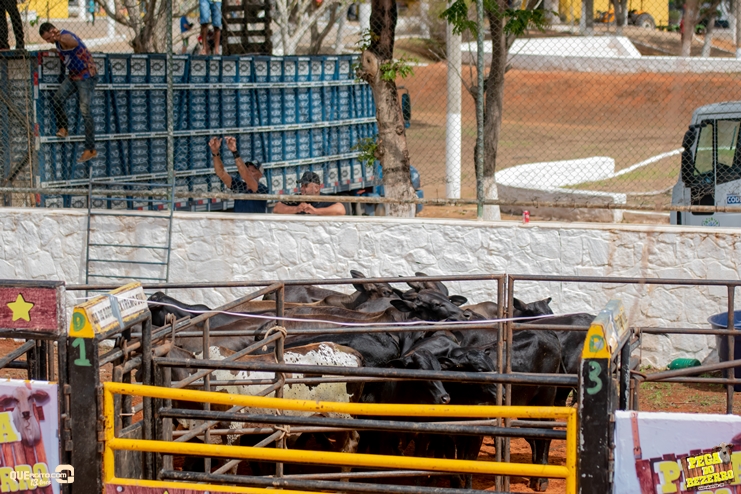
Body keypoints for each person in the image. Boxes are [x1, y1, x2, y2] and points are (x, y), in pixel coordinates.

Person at [39, 23, 98, 163]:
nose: (48, 41)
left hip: (86, 76)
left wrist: (59, 38)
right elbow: (66, 50)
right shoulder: (58, 42)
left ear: (53, 31)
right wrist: (55, 48)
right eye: (46, 40)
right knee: (57, 99)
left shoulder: (65, 36)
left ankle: (90, 149)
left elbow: (73, 42)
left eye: (48, 38)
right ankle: (63, 128)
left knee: (85, 110)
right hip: (74, 75)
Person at [209, 136, 268, 213]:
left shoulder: (262, 189)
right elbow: (220, 172)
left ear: (260, 175)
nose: (250, 173)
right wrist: (215, 152)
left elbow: (246, 176)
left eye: (253, 171)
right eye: (248, 170)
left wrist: (235, 152)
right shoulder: (239, 186)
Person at [273, 171, 346, 216]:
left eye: (305, 186)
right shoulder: (297, 198)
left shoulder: (324, 199)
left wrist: (315, 211)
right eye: (301, 186)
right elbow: (277, 208)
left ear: (316, 188)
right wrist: (296, 209)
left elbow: (341, 210)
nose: (302, 189)